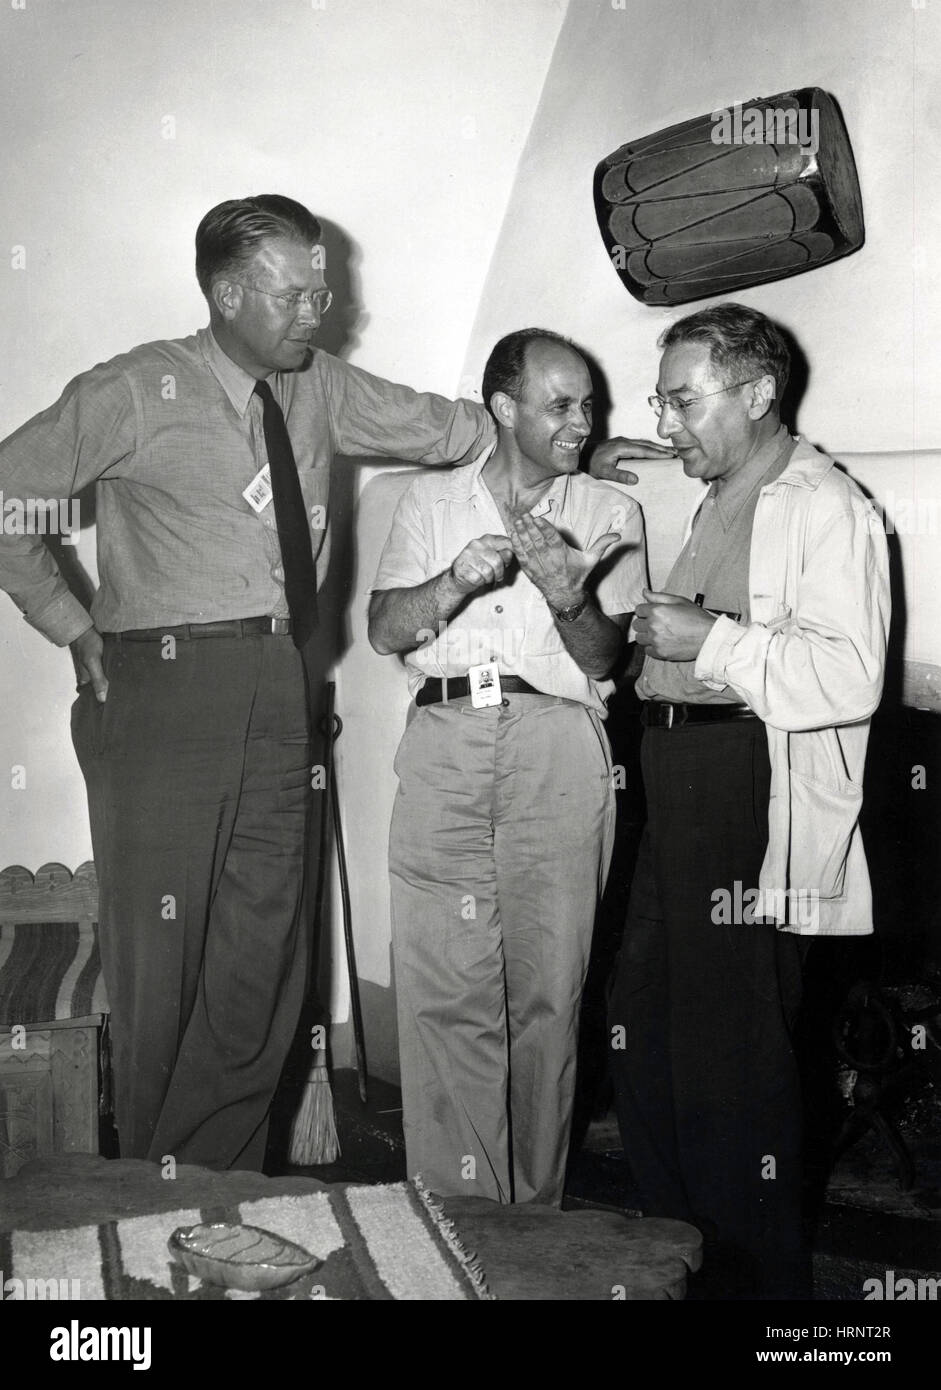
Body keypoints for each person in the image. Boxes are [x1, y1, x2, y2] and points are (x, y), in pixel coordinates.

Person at [0, 193, 503, 1170]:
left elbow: (447, 428)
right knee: (167, 962)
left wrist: (558, 445)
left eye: (323, 293)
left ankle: (217, 1188)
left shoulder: (320, 386)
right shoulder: (139, 388)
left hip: (281, 685)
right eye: (295, 296)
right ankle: (153, 1195)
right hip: (163, 692)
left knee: (262, 957)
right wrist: (67, 621)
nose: (318, 314)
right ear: (228, 294)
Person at [598, 303, 890, 1297]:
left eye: (683, 401)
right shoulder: (724, 495)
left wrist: (707, 643)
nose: (668, 424)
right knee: (644, 1034)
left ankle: (756, 1296)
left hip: (745, 785)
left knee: (731, 1067)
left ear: (756, 393)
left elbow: (848, 675)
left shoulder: (820, 503)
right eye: (662, 402)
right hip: (676, 777)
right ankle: (679, 1265)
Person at [367, 328, 649, 1204]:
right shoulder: (430, 503)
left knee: (547, 995)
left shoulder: (610, 510)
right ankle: (459, 1222)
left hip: (557, 746)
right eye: (560, 404)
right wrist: (454, 582)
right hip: (446, 740)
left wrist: (567, 593)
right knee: (444, 994)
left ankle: (532, 1227)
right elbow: (384, 630)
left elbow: (609, 661)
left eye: (587, 406)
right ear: (503, 407)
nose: (581, 422)